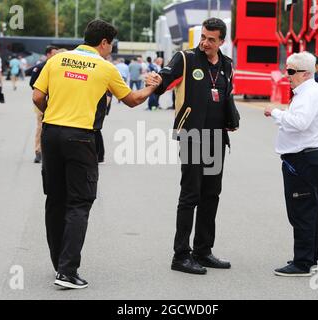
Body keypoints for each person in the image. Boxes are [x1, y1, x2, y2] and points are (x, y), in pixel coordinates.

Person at [32, 19, 161, 289]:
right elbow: (132, 100)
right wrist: (152, 86)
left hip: (52, 133)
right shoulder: (105, 68)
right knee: (79, 203)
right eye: (110, 44)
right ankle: (67, 272)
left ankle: (59, 263)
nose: (109, 49)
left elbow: (36, 97)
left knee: (55, 199)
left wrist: (50, 111)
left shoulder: (57, 60)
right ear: (103, 42)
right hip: (80, 138)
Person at [152, 18, 239, 275]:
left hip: (216, 139)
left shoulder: (226, 64)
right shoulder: (186, 58)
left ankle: (203, 250)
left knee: (211, 195)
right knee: (190, 195)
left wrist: (230, 119)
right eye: (203, 37)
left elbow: (226, 95)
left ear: (222, 41)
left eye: (211, 39)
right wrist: (154, 80)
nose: (205, 42)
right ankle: (181, 255)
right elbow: (164, 80)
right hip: (191, 136)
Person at [264, 52, 318, 277]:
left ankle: (303, 263)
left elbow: (300, 123)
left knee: (301, 212)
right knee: (309, 211)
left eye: (291, 71)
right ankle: (308, 257)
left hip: (303, 159)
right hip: (307, 158)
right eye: (287, 70)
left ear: (306, 73)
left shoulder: (309, 93)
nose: (287, 75)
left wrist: (275, 113)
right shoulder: (307, 92)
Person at [29, 45, 59, 164]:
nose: (56, 56)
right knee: (41, 126)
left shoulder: (58, 66)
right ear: (48, 54)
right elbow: (32, 83)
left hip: (56, 100)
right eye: (54, 54)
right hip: (43, 100)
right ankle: (38, 152)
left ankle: (52, 152)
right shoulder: (41, 67)